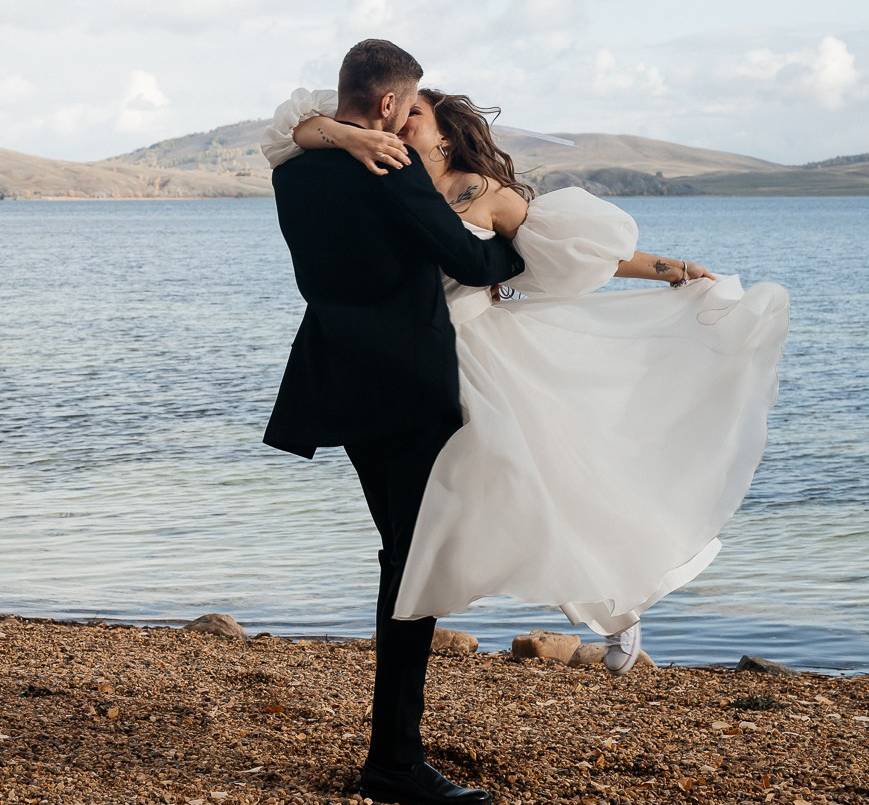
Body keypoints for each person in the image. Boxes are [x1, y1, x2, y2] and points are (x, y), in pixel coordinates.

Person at [264, 85, 789, 677]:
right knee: (484, 506)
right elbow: (291, 130)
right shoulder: (377, 169)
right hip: (408, 362)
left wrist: (673, 270)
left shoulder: (483, 192)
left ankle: (614, 602)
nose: (403, 120)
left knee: (540, 483)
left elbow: (580, 253)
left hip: (480, 351)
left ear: (445, 134)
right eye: (401, 110)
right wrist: (349, 134)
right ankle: (425, 615)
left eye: (417, 113)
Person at [264, 40, 524, 805]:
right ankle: (395, 762)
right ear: (387, 104)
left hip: (341, 384)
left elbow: (296, 136)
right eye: (408, 107)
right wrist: (514, 256)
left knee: (404, 557)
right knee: (415, 566)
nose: (409, 121)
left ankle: (396, 753)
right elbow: (469, 264)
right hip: (409, 390)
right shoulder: (392, 168)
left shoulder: (293, 171)